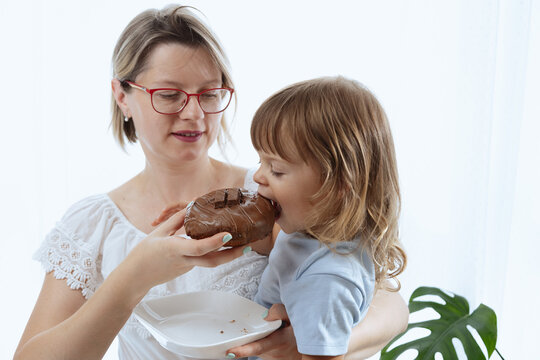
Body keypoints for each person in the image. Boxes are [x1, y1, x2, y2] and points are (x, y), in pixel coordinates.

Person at [14, 5, 408, 360]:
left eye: (209, 93)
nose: (193, 113)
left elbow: (390, 307)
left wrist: (315, 341)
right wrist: (132, 278)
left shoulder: (278, 198)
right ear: (121, 96)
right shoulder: (93, 225)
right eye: (169, 95)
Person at [245, 76, 407, 359]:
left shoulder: (325, 279)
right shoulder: (309, 230)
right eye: (261, 161)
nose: (258, 176)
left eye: (277, 169)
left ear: (339, 185)